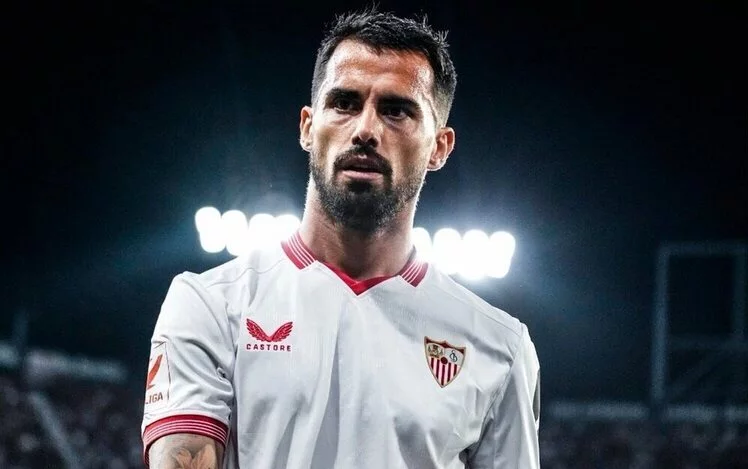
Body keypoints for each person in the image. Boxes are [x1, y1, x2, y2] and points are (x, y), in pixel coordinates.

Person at [141, 7, 541, 469]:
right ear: (308, 127)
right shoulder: (210, 304)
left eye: (396, 110)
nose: (365, 130)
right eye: (345, 103)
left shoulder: (500, 346)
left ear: (439, 147)